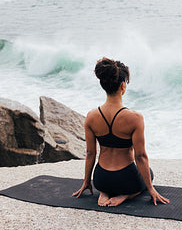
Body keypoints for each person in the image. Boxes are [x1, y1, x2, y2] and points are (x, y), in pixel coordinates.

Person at [72, 57, 170, 207]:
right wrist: (151, 189)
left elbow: (90, 153)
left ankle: (105, 192)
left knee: (107, 183)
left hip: (101, 179)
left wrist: (87, 182)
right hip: (126, 179)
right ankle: (126, 195)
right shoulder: (135, 118)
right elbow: (141, 156)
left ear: (103, 85)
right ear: (123, 86)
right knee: (149, 173)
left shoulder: (91, 116)